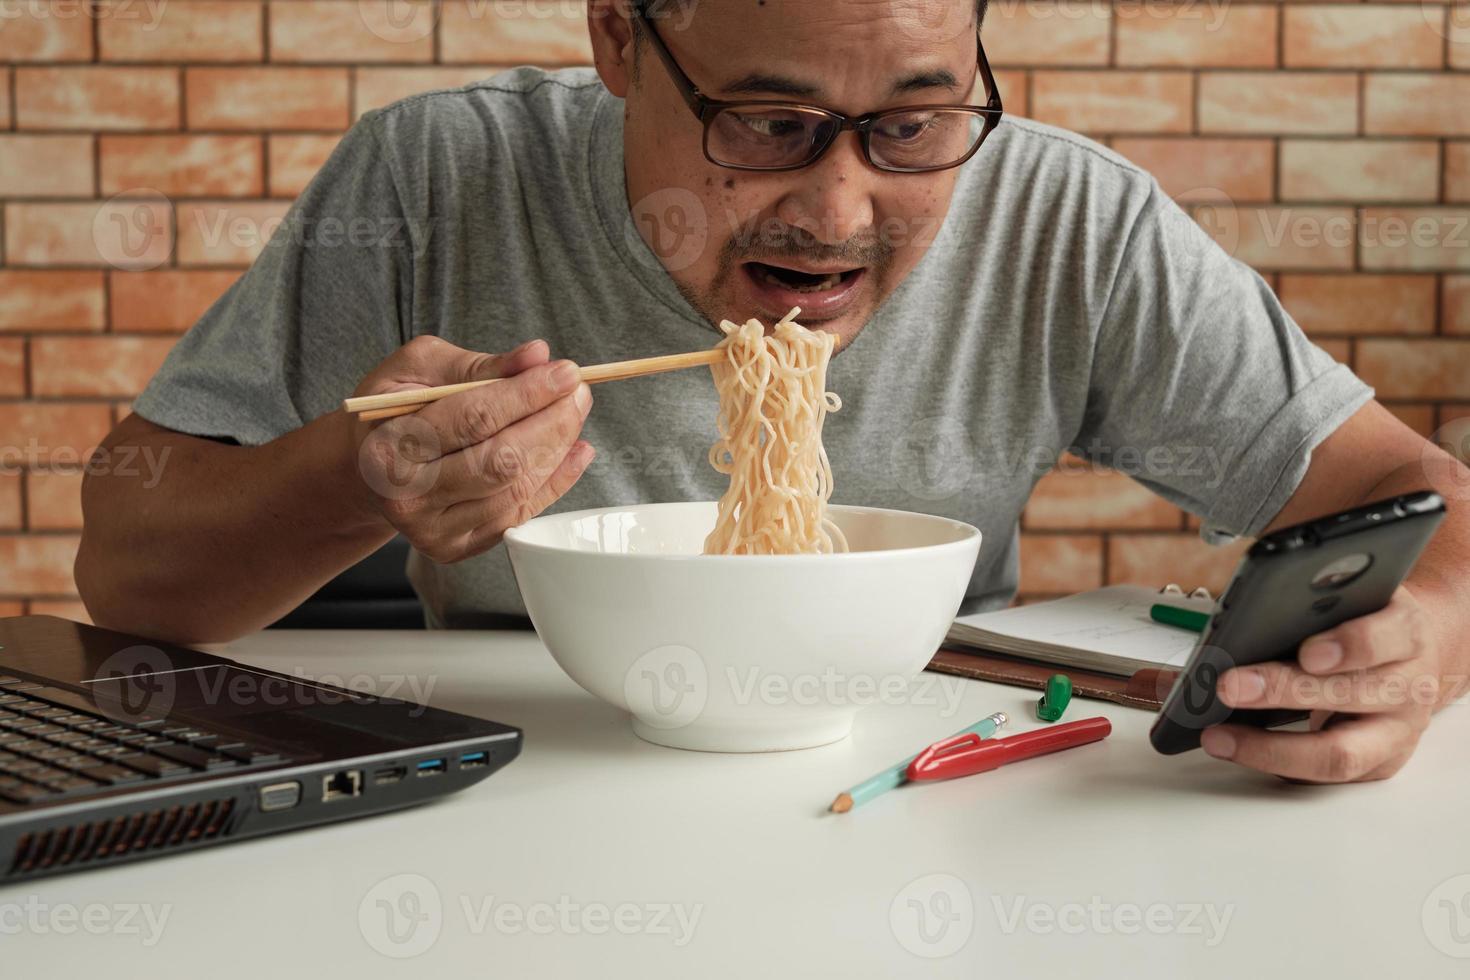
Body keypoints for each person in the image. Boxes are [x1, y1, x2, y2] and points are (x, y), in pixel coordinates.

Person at [77, 0, 1470, 783]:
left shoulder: (1067, 220)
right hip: (524, 793)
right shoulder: (435, 179)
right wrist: (347, 476)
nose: (838, 206)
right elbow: (133, 579)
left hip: (911, 792)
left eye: (913, 125)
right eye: (771, 124)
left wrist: (1415, 644)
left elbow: (1415, 504)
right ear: (619, 42)